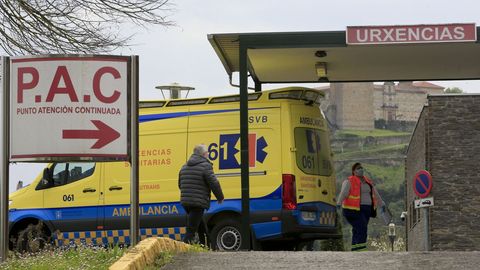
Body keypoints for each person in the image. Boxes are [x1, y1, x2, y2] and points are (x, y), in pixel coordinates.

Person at [178, 144, 224, 244]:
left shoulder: (184, 166)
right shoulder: (206, 166)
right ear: (203, 154)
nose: (208, 154)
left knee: (201, 227)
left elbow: (180, 184)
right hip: (198, 203)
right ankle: (184, 252)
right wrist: (220, 197)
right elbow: (214, 183)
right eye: (207, 152)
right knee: (191, 230)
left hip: (186, 202)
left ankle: (208, 246)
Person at [336, 162, 386, 251]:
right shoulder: (349, 181)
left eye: (361, 168)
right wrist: (339, 203)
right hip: (353, 210)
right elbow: (343, 193)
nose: (361, 169)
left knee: (357, 230)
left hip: (366, 210)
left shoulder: (368, 181)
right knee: (362, 229)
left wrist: (382, 204)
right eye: (358, 168)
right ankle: (361, 250)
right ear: (354, 171)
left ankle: (355, 249)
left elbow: (375, 193)